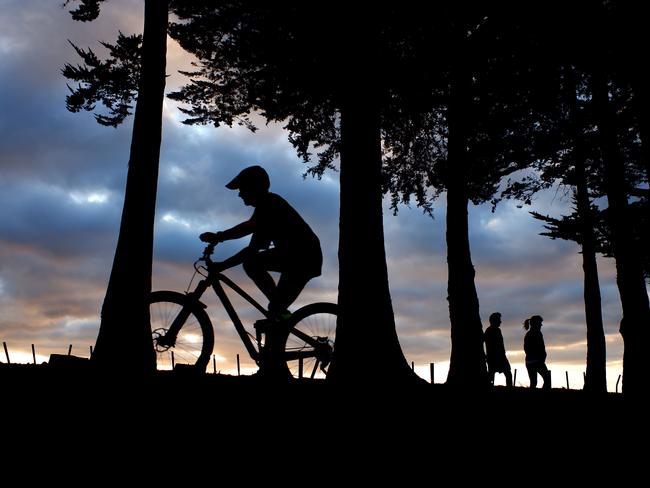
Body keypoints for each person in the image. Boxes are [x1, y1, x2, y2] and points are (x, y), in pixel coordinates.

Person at [200, 165, 323, 378]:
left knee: (254, 267)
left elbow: (249, 240)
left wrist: (220, 253)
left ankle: (279, 320)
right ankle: (274, 361)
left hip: (303, 258)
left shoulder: (270, 205)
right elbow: (250, 237)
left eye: (242, 189)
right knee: (275, 309)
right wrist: (220, 246)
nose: (239, 194)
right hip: (296, 257)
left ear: (254, 188)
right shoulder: (266, 207)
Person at [484, 312, 513, 387]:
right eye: (499, 320)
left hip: (501, 357)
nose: (500, 321)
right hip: (493, 357)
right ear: (494, 320)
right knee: (491, 375)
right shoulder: (489, 331)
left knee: (508, 374)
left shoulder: (498, 330)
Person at [523, 315, 551, 389]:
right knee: (547, 378)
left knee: (533, 382)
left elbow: (526, 349)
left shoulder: (529, 334)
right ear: (536, 323)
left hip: (529, 361)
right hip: (537, 361)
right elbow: (539, 347)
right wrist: (540, 357)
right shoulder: (537, 333)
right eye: (540, 323)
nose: (541, 325)